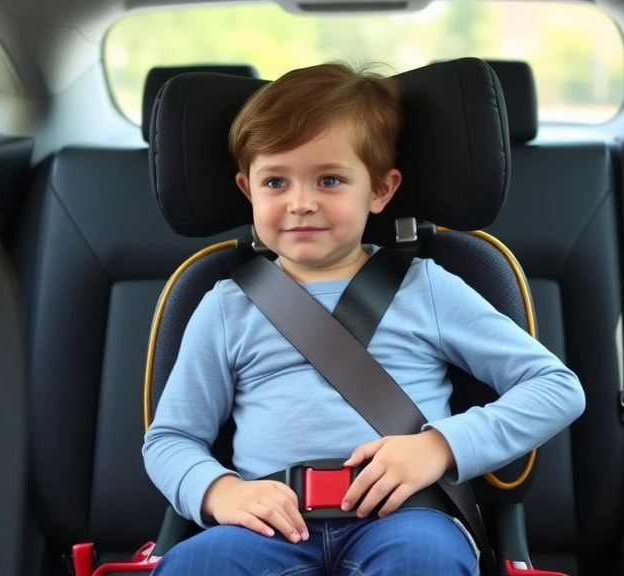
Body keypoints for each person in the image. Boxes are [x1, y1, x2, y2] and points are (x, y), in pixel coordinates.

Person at [142, 62, 585, 576]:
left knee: (424, 562)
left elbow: (556, 387)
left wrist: (438, 447)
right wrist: (221, 492)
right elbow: (171, 438)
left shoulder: (427, 287)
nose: (300, 203)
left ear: (379, 190)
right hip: (266, 528)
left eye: (329, 179)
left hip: (406, 518)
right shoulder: (226, 304)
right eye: (275, 181)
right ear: (248, 190)